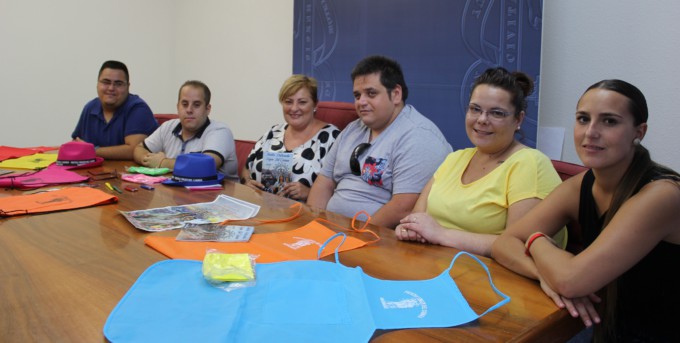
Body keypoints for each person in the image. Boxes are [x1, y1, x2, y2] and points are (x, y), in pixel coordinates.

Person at [491, 79, 680, 342]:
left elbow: (571, 281)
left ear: (640, 131)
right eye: (583, 119)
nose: (591, 132)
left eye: (609, 121)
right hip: (607, 328)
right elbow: (504, 243)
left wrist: (536, 240)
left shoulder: (662, 195)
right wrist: (543, 276)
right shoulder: (583, 183)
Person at [395, 67, 565, 257]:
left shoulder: (530, 164)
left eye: (497, 113)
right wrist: (409, 230)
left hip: (490, 278)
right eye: (475, 109)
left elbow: (519, 248)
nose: (482, 120)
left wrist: (442, 235)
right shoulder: (454, 159)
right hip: (429, 268)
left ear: (519, 119)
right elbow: (416, 219)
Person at [307, 55, 451, 228]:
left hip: (377, 239)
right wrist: (312, 225)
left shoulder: (419, 137)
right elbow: (324, 183)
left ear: (396, 94)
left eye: (371, 93)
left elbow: (404, 208)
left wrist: (357, 236)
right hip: (331, 232)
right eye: (357, 95)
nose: (361, 102)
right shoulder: (352, 129)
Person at [241, 75, 340, 201]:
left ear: (315, 104)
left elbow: (342, 187)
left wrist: (310, 192)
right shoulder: (273, 131)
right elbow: (246, 168)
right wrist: (247, 182)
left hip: (301, 215)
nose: (294, 108)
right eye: (288, 102)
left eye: (302, 102)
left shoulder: (332, 137)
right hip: (259, 208)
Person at [133, 80, 238, 181]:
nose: (189, 110)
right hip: (178, 193)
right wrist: (147, 159)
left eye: (196, 105)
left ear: (207, 109)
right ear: (177, 107)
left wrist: (162, 162)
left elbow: (206, 166)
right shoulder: (168, 126)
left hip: (217, 196)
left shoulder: (220, 131)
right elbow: (139, 148)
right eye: (184, 104)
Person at [72, 60, 158, 160]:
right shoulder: (90, 108)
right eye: (106, 82)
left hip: (129, 173)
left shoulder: (138, 109)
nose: (111, 88)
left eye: (118, 84)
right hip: (95, 172)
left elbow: (134, 151)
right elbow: (77, 143)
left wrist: (92, 151)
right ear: (97, 84)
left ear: (128, 87)